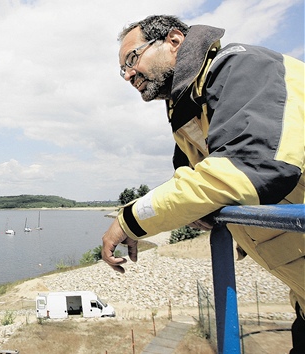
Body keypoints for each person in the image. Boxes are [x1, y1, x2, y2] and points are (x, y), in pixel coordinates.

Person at [101, 15, 304, 352]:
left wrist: (129, 221)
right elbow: (197, 186)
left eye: (132, 59)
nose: (128, 75)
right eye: (122, 69)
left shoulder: (244, 69)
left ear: (175, 41)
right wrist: (205, 212)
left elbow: (247, 168)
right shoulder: (190, 111)